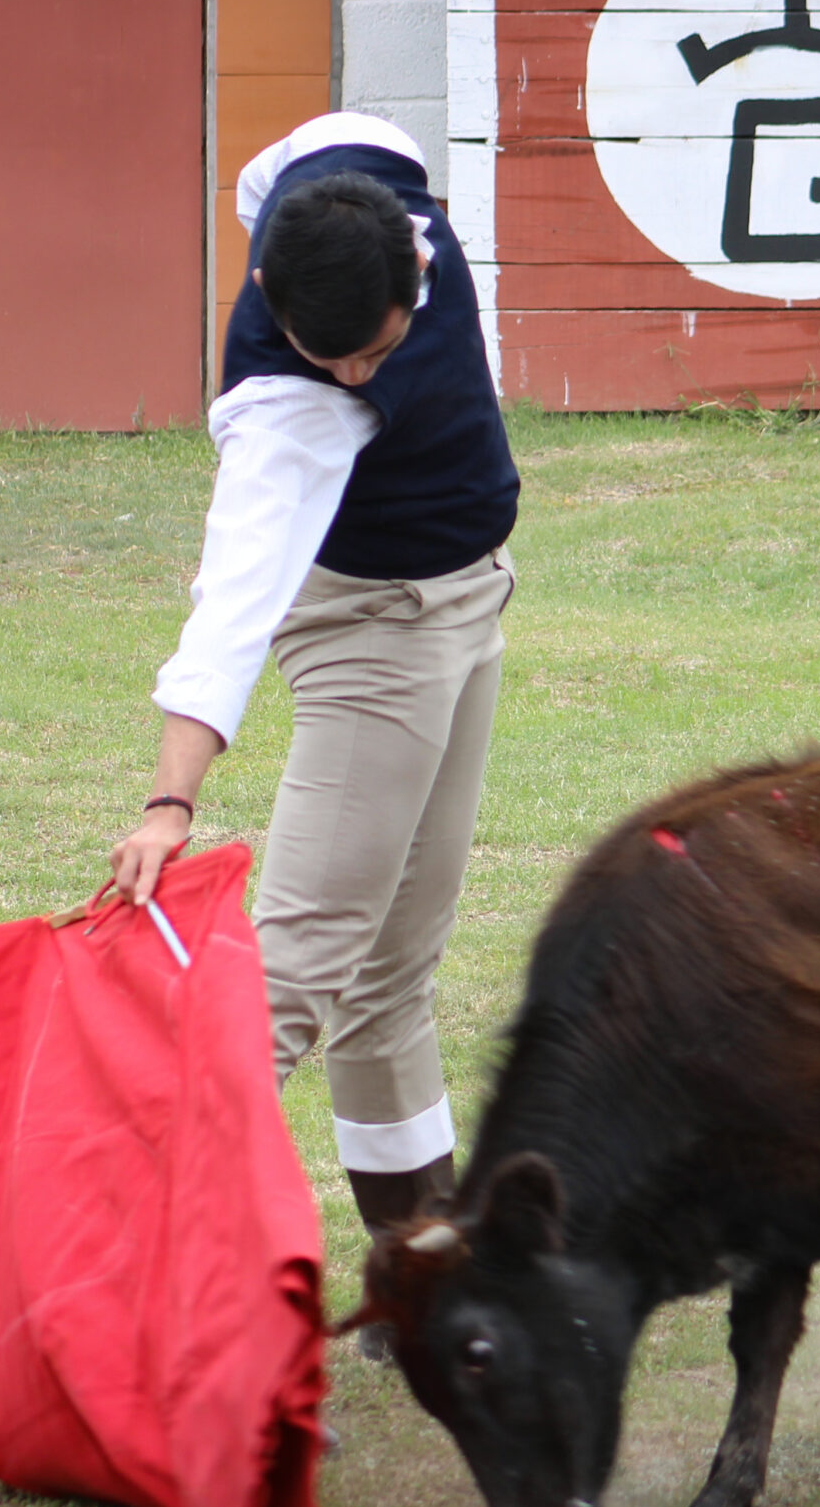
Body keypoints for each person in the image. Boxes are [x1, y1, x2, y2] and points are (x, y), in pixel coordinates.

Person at [109, 112, 518, 1294]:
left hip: (468, 606)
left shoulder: (371, 170)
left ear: (417, 263)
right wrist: (168, 800)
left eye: (373, 355)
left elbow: (269, 174)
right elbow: (233, 601)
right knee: (291, 977)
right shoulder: (285, 410)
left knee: (392, 977)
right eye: (322, 351)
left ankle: (430, 1288)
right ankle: (139, 1287)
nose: (349, 375)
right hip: (371, 633)